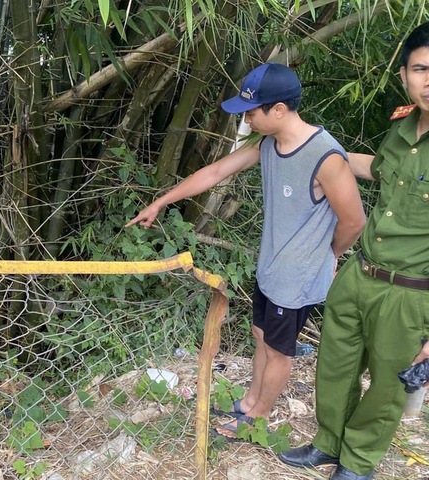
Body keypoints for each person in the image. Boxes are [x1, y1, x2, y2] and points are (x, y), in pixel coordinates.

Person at [126, 63, 366, 440]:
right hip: (270, 266)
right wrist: (161, 202)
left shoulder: (326, 156)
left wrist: (327, 256)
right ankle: (249, 402)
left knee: (278, 351)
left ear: (279, 110)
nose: (247, 119)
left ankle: (257, 418)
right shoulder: (269, 144)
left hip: (297, 275)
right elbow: (216, 172)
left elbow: (354, 221)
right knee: (260, 335)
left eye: (251, 112)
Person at [279, 23, 429, 480]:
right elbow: (375, 170)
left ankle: (357, 462)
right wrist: (317, 148)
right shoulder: (402, 130)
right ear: (404, 75)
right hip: (359, 274)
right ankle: (328, 443)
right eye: (421, 68)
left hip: (411, 294)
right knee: (334, 368)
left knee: (386, 389)